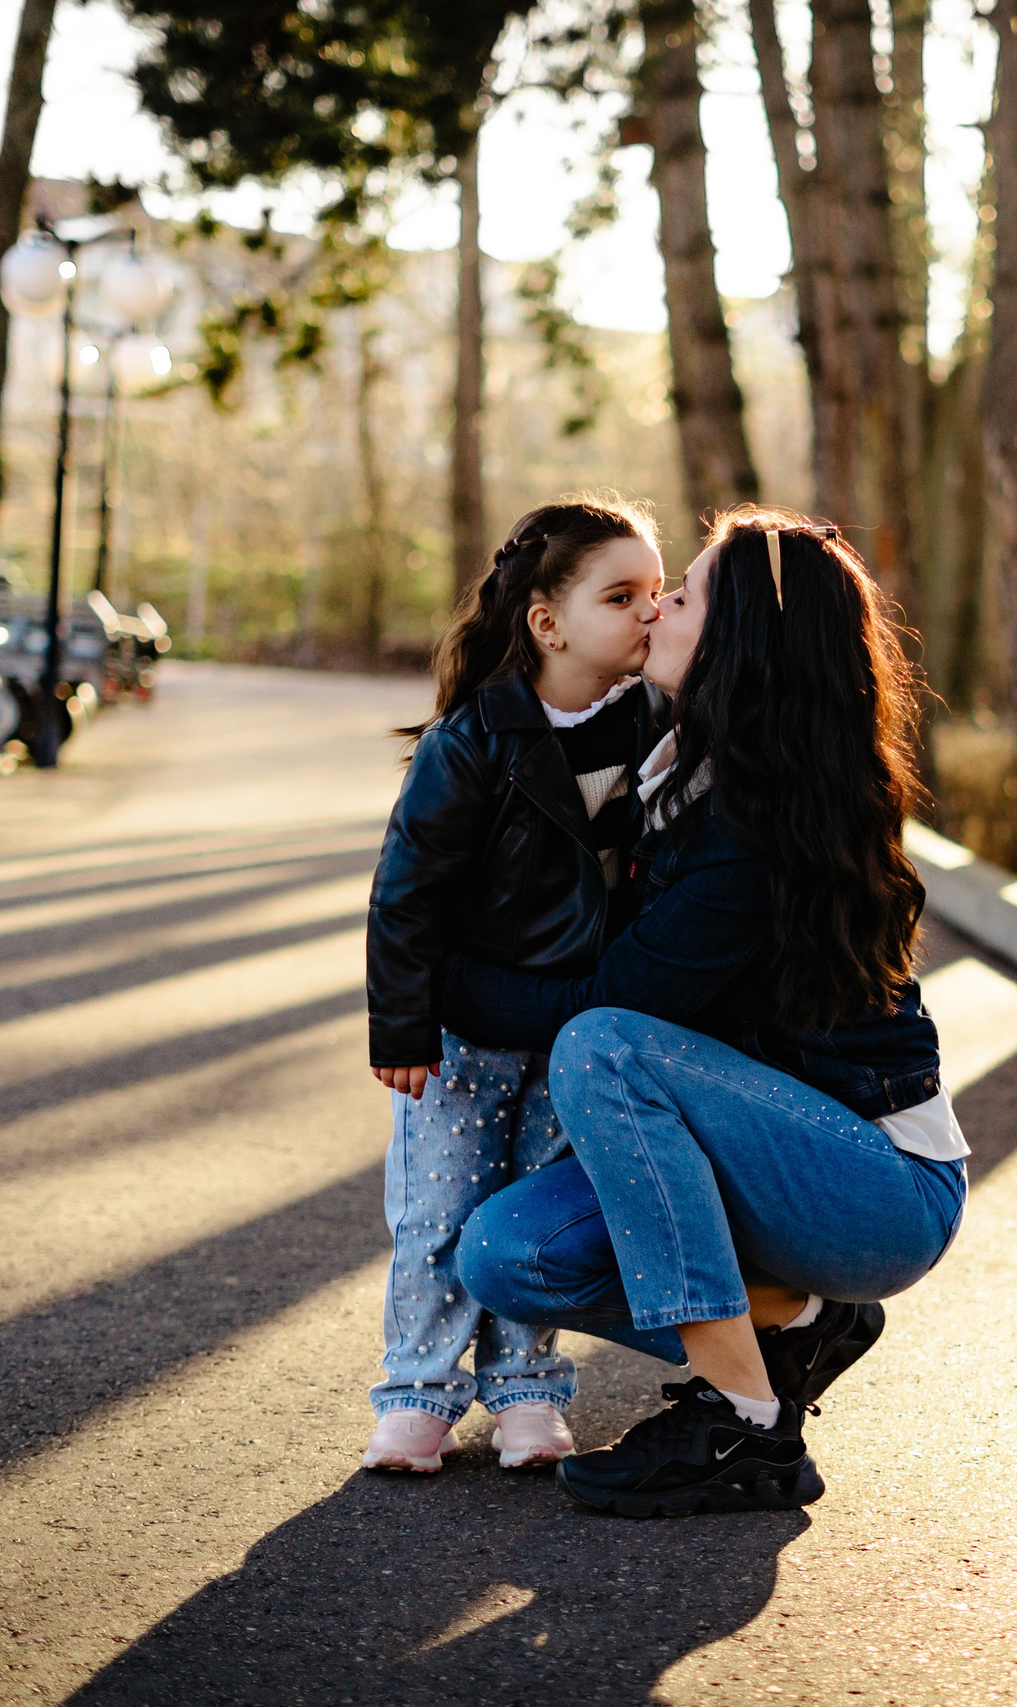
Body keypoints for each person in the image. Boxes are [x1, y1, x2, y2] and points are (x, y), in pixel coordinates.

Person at [445, 505, 969, 1517]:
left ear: (738, 642)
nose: (655, 609)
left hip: (878, 1187)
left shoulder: (756, 826)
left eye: (678, 596)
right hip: (773, 1163)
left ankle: (746, 1425)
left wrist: (445, 987)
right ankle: (802, 1318)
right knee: (507, 1253)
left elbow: (610, 1009)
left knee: (603, 1046)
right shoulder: (688, 768)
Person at [360, 499, 665, 1474]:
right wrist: (401, 1025)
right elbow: (405, 895)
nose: (648, 614)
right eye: (622, 596)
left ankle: (525, 1393)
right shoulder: (475, 740)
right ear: (548, 622)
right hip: (460, 1033)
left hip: (573, 1034)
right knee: (442, 1211)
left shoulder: (655, 725)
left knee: (531, 1213)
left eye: (659, 595)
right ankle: (417, 1392)